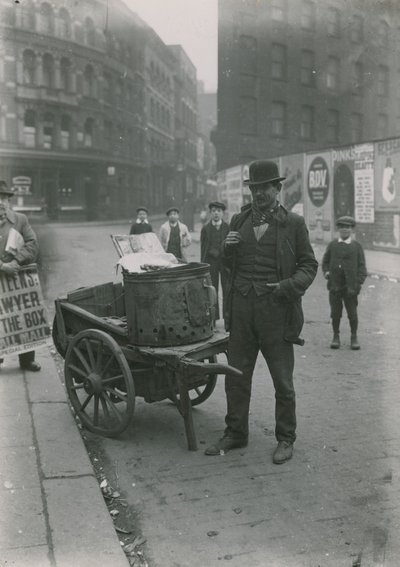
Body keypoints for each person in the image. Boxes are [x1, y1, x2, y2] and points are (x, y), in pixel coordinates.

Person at [205, 160, 318, 464]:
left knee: (283, 380)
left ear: (277, 189)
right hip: (242, 311)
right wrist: (228, 251)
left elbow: (309, 266)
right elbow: (227, 267)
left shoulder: (292, 223)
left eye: (265, 188)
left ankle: (285, 438)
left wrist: (287, 286)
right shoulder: (239, 221)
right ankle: (236, 432)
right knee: (236, 376)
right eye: (254, 189)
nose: (259, 194)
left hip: (276, 312)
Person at [0, 180, 41, 371]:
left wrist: (15, 262)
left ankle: (26, 359)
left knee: (23, 314)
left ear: (8, 200)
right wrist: (2, 266)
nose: (0, 202)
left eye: (3, 198)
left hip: (17, 276)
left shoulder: (20, 219)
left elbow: (32, 244)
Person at [322, 216, 367, 350]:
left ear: (351, 230)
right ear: (338, 229)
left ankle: (354, 337)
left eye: (347, 227)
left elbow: (362, 267)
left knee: (352, 314)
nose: (345, 230)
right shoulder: (332, 245)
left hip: (351, 287)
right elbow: (325, 262)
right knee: (335, 313)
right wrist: (327, 273)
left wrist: (358, 282)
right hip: (335, 286)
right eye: (342, 227)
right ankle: (336, 336)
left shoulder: (356, 246)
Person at [200, 201, 230, 322]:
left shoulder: (227, 227)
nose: (216, 213)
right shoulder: (206, 229)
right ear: (210, 213)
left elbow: (232, 247)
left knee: (227, 290)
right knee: (212, 290)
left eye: (219, 211)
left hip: (225, 263)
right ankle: (213, 319)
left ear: (223, 213)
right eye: (213, 211)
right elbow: (203, 249)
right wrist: (203, 266)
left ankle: (228, 320)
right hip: (211, 263)